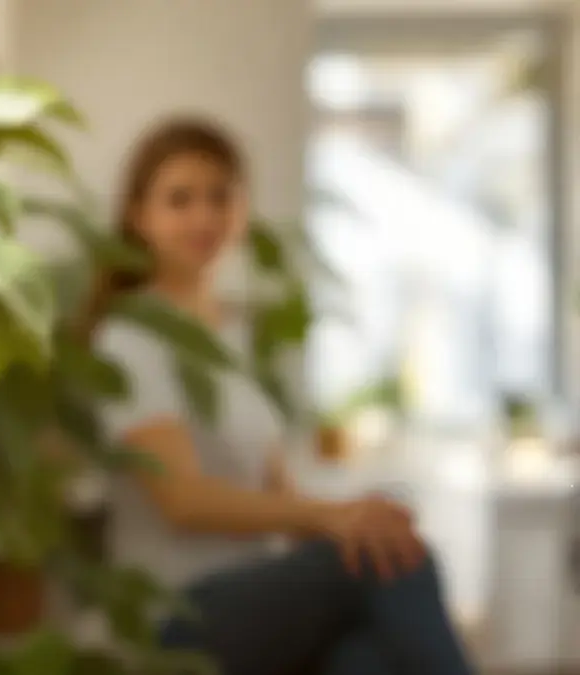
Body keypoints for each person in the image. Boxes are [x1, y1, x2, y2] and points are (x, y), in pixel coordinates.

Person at [89, 117, 475, 675]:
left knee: (365, 657)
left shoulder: (232, 334)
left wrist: (358, 516)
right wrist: (334, 519)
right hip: (180, 612)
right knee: (402, 564)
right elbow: (184, 501)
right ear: (137, 214)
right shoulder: (130, 336)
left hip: (260, 596)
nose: (204, 216)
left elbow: (279, 495)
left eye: (219, 197)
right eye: (180, 200)